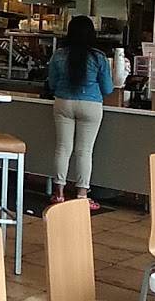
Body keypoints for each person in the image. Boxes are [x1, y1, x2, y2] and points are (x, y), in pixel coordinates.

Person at [47, 16, 114, 210]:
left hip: (63, 102)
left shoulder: (58, 55)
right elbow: (108, 88)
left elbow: (52, 83)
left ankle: (59, 193)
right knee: (84, 151)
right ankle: (82, 195)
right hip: (91, 105)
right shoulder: (99, 57)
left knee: (63, 148)